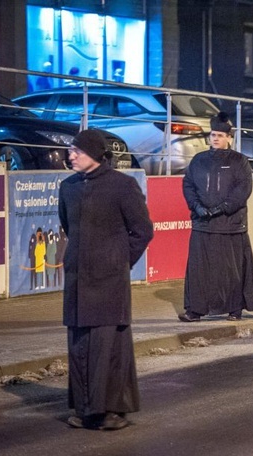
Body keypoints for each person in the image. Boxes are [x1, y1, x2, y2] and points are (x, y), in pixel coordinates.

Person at [59, 129, 153, 430]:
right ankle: (86, 409)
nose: (70, 156)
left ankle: (111, 411)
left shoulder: (122, 186)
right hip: (78, 279)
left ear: (96, 155)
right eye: (70, 151)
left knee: (108, 347)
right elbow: (68, 227)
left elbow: (142, 230)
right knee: (80, 346)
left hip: (109, 280)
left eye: (77, 151)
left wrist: (120, 261)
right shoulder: (68, 187)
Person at [179, 112, 253, 322]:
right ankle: (195, 309)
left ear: (229, 138)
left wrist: (220, 209)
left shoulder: (240, 161)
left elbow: (242, 190)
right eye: (213, 135)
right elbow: (188, 185)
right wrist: (196, 207)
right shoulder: (199, 160)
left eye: (220, 135)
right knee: (199, 270)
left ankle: (234, 308)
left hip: (230, 225)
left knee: (231, 270)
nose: (215, 138)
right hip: (202, 224)